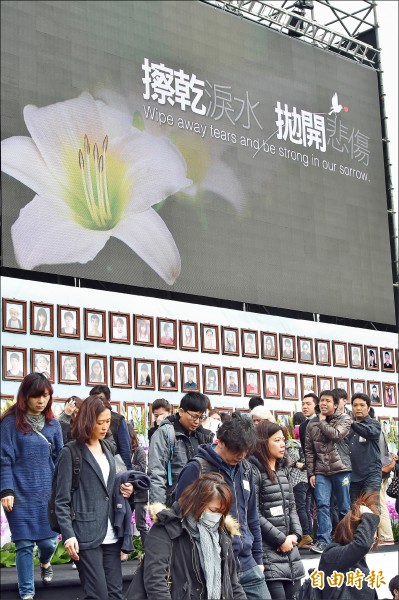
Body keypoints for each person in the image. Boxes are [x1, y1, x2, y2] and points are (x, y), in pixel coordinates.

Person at [176, 413, 271, 600]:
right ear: (220, 442)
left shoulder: (247, 469)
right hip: (215, 561)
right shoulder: (197, 469)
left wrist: (258, 558)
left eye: (245, 451)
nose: (241, 456)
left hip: (247, 561)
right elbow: (181, 517)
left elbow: (251, 516)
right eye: (237, 450)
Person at [55, 395, 134, 600]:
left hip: (111, 533)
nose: (105, 427)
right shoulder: (70, 452)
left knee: (116, 594)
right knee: (97, 594)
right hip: (85, 533)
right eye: (100, 422)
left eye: (108, 422)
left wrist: (125, 489)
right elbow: (61, 500)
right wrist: (69, 535)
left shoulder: (107, 447)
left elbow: (109, 485)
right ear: (87, 420)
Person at [1, 373, 63, 600]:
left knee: (48, 542)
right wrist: (6, 490)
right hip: (18, 494)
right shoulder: (10, 424)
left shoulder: (53, 425)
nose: (41, 400)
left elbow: (59, 459)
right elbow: (4, 459)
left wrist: (62, 491)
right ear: (25, 396)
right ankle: (27, 594)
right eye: (36, 395)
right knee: (24, 545)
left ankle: (45, 561)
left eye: (46, 396)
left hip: (46, 493)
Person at [137, 474, 246, 600]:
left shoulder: (222, 534)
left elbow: (232, 584)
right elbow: (155, 581)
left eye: (221, 512)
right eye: (212, 510)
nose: (216, 516)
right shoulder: (167, 528)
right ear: (196, 503)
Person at [249, 421, 304, 600]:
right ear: (263, 442)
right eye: (277, 440)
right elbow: (253, 513)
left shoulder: (282, 470)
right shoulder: (253, 471)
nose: (283, 445)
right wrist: (280, 540)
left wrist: (296, 534)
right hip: (269, 552)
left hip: (291, 552)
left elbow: (291, 506)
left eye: (283, 440)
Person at [305, 389, 352, 554]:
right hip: (321, 472)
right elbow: (309, 451)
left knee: (344, 507)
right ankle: (323, 541)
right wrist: (311, 473)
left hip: (341, 470)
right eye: (322, 400)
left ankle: (347, 539)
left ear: (336, 403)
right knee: (322, 505)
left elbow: (336, 435)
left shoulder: (345, 419)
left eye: (328, 401)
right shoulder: (311, 423)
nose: (323, 403)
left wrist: (323, 422)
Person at [148, 392, 213, 507]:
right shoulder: (165, 433)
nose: (197, 422)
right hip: (173, 504)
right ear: (181, 412)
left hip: (199, 505)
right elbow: (156, 472)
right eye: (193, 416)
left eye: (201, 417)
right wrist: (159, 509)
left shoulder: (204, 437)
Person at [318, 492, 380, 600]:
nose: (372, 542)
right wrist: (367, 515)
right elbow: (362, 545)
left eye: (374, 539)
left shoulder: (357, 558)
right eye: (370, 536)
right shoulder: (332, 553)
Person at [348, 393, 381, 504]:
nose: (358, 408)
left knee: (371, 508)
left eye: (362, 405)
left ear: (368, 407)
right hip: (353, 476)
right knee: (355, 511)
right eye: (355, 405)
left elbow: (368, 432)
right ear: (352, 407)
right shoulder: (349, 427)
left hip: (371, 475)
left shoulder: (374, 424)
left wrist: (352, 423)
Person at [90, 386, 132, 470]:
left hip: (114, 466)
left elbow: (125, 450)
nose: (104, 427)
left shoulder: (118, 420)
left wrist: (128, 474)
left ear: (109, 401)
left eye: (107, 421)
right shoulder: (87, 418)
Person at [129, 429, 149, 546]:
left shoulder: (139, 451)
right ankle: (125, 549)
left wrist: (126, 465)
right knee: (124, 522)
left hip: (139, 492)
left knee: (140, 523)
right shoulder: (123, 451)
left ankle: (148, 550)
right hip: (128, 492)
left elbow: (142, 469)